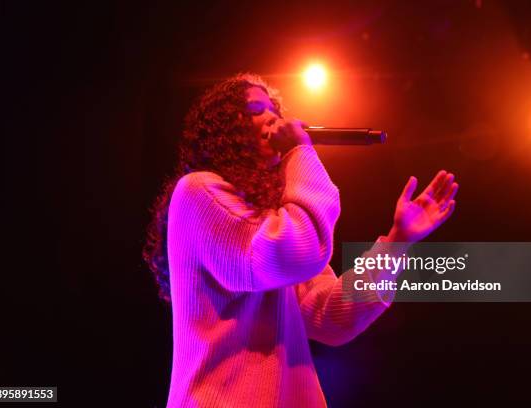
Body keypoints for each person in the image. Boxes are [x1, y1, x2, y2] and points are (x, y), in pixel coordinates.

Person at [143, 73, 458, 407]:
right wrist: (298, 150)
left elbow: (332, 316)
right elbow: (294, 251)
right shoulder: (198, 193)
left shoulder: (272, 219)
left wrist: (398, 241)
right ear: (224, 128)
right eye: (255, 109)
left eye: (274, 110)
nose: (273, 117)